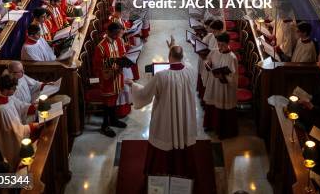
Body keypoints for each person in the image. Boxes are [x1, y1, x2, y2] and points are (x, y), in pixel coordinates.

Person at [131, 43, 197, 179]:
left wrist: (133, 85)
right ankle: (182, 169)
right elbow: (181, 61)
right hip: (184, 115)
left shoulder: (161, 75)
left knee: (164, 136)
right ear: (182, 56)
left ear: (169, 57)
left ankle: (161, 170)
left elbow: (144, 94)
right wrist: (173, 46)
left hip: (166, 116)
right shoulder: (191, 70)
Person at [0, 74, 40, 171]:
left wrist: (33, 107)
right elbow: (15, 131)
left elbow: (20, 106)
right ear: (6, 89)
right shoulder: (2, 109)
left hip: (15, 132)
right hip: (10, 142)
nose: (15, 90)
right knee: (16, 163)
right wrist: (32, 126)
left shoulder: (7, 97)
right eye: (13, 88)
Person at [92, 22, 128, 138]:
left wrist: (125, 60)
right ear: (108, 32)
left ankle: (113, 120)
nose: (117, 36)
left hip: (117, 76)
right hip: (107, 79)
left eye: (118, 34)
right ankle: (105, 125)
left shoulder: (119, 41)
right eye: (114, 34)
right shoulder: (101, 46)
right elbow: (97, 65)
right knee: (108, 103)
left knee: (115, 99)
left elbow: (123, 53)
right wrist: (113, 61)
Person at [203, 32, 239, 139]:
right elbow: (208, 60)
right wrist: (207, 64)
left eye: (222, 45)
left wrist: (223, 76)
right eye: (218, 44)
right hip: (213, 84)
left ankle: (222, 130)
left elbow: (233, 77)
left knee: (222, 107)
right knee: (212, 105)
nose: (220, 47)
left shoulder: (232, 58)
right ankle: (210, 125)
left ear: (228, 44)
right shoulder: (214, 52)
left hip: (224, 88)